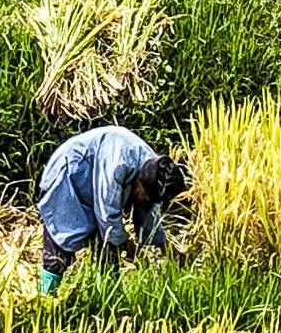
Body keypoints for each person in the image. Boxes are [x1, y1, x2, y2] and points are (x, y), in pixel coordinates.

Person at [36, 125, 189, 294]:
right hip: (70, 177)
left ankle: (108, 299)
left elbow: (149, 213)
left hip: (93, 186)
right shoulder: (119, 162)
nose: (144, 200)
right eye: (144, 195)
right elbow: (106, 211)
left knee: (110, 252)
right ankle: (44, 299)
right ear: (138, 181)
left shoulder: (157, 172)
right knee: (60, 248)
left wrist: (166, 248)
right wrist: (125, 242)